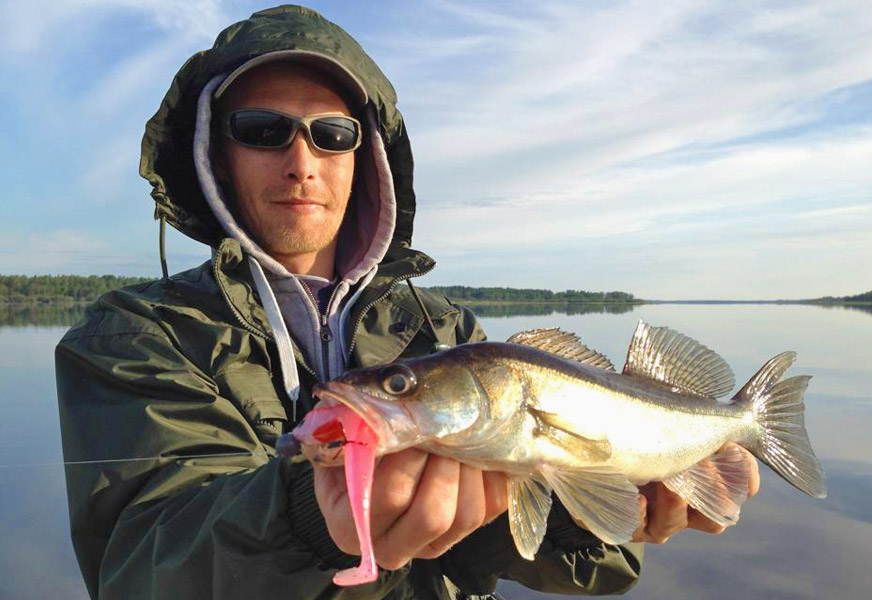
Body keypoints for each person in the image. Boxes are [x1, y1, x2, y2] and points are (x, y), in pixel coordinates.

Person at [56, 5, 758, 600]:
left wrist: (600, 515)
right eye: (262, 130)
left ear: (367, 159)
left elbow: (584, 559)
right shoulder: (135, 336)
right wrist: (305, 518)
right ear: (215, 152)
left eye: (332, 135)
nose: (302, 161)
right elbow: (139, 565)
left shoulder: (448, 331)